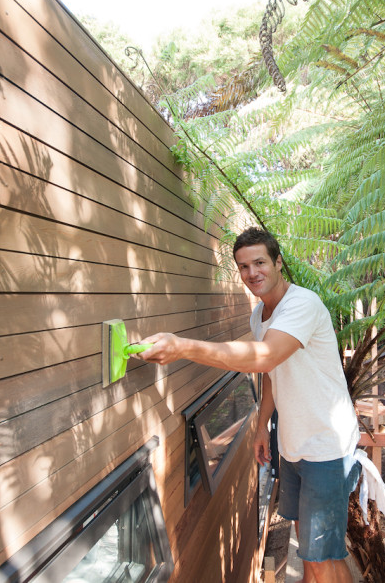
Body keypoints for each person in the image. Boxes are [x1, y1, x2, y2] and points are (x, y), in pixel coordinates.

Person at [138, 227, 360, 583]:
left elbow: (264, 356)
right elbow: (272, 371)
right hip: (294, 445)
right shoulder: (259, 316)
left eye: (260, 262)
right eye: (243, 266)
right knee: (309, 550)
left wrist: (182, 347)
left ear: (278, 262)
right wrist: (261, 427)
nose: (252, 272)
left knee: (321, 558)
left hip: (327, 447)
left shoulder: (302, 304)